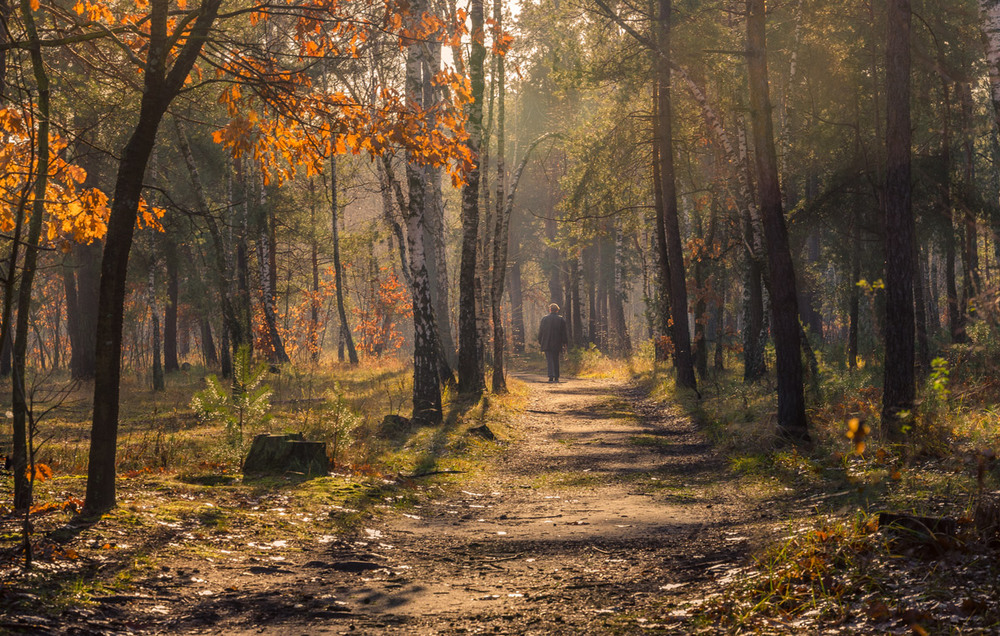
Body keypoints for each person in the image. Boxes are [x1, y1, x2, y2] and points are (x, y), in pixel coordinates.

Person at [538, 303, 568, 382]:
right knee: (556, 359)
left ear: (550, 310)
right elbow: (563, 332)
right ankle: (557, 376)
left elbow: (541, 331)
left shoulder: (544, 319)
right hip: (557, 343)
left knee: (549, 360)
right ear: (557, 310)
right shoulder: (561, 319)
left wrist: (540, 341)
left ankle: (551, 376)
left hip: (547, 343)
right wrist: (565, 343)